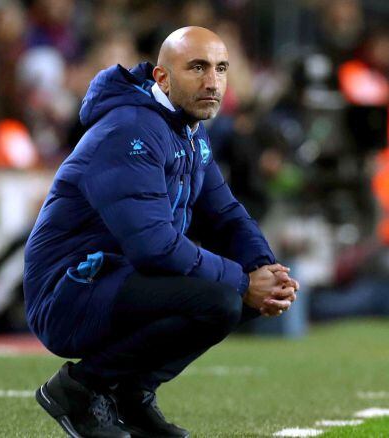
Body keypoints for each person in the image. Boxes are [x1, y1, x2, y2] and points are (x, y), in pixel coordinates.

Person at [23, 27, 298, 437]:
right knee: (221, 301)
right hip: (69, 291)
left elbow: (225, 215)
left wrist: (265, 269)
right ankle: (81, 389)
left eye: (221, 69)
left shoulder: (186, 130)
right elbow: (153, 247)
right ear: (162, 79)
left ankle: (131, 397)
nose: (212, 82)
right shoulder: (130, 130)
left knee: (235, 298)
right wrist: (243, 280)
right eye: (198, 68)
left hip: (116, 279)